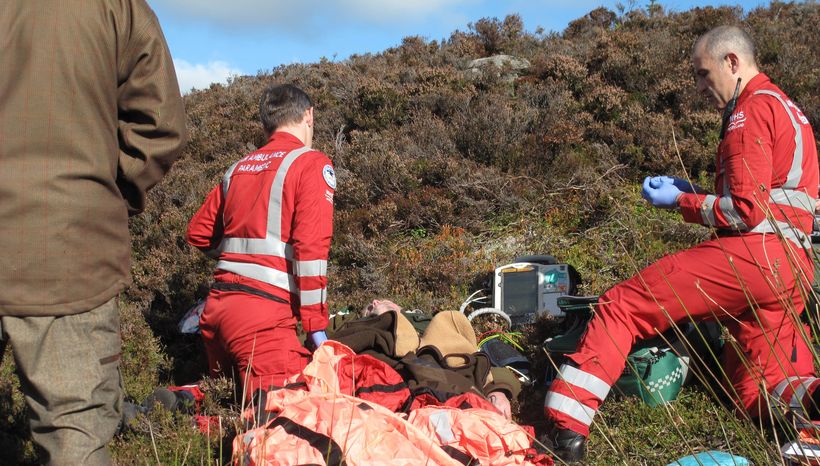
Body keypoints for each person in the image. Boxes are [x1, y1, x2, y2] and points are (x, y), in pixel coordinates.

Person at [543, 25, 818, 462]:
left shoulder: (748, 112)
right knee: (757, 391)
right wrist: (693, 190)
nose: (699, 87)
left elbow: (745, 211)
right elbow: (773, 197)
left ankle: (564, 431)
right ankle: (812, 413)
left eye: (703, 74)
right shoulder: (787, 108)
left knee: (624, 305)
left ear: (732, 62)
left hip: (755, 256)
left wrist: (680, 201)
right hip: (793, 265)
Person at [0, 1, 187, 464]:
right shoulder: (114, 7)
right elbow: (161, 127)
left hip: (67, 243)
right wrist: (100, 199)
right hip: (67, 248)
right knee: (75, 433)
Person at [187, 84, 335, 399]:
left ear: (266, 124)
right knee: (282, 413)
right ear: (309, 115)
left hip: (217, 312)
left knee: (223, 404)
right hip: (263, 319)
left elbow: (198, 232)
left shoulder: (238, 168)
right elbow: (311, 251)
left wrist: (237, 258)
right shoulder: (310, 163)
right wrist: (315, 327)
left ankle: (177, 403)